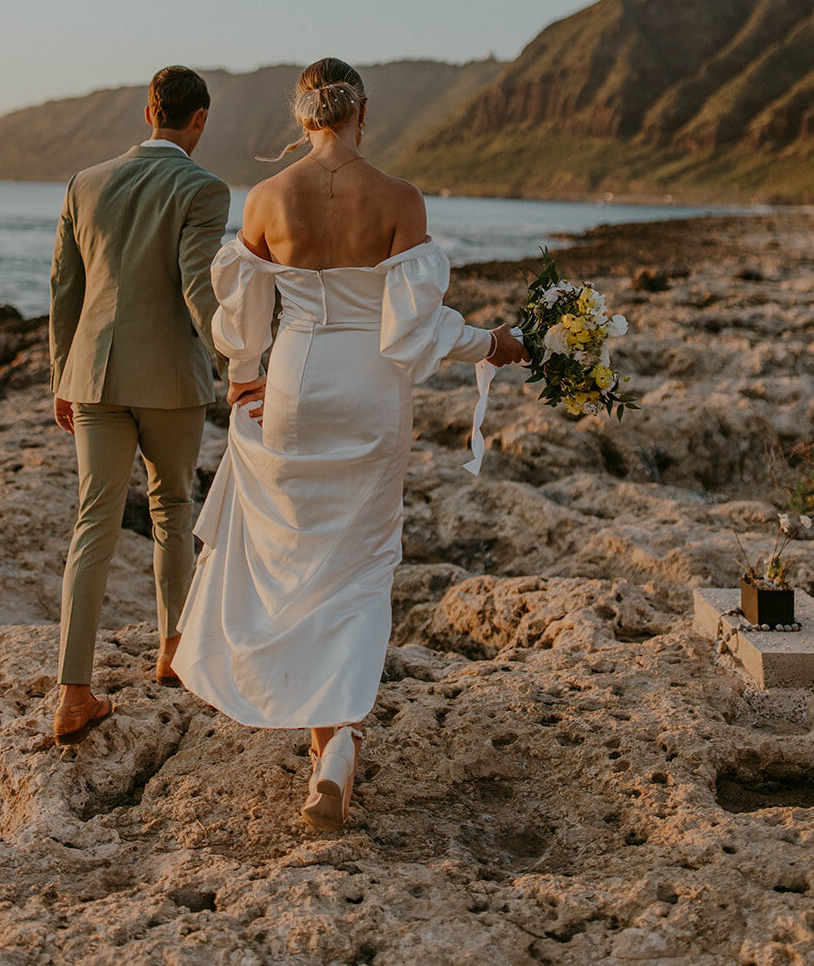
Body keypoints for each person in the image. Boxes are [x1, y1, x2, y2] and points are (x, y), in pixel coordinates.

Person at [171, 57, 528, 829]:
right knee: (361, 568)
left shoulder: (268, 198)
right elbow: (414, 328)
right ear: (361, 113)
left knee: (300, 556)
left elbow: (238, 318)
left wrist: (241, 376)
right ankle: (336, 744)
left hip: (295, 379)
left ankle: (321, 731)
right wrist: (492, 343)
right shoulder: (399, 198)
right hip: (369, 390)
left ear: (302, 117)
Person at [48, 65, 230, 744]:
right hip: (171, 383)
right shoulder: (203, 187)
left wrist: (61, 377)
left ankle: (72, 691)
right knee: (172, 508)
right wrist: (242, 364)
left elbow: (63, 287)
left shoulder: (85, 182)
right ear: (198, 118)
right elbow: (196, 287)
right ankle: (172, 650)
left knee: (92, 522)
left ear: (147, 112)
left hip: (92, 376)